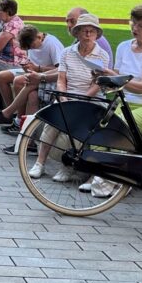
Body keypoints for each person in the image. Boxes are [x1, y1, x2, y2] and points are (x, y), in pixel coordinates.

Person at [90, 3, 142, 198]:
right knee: (98, 129)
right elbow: (116, 80)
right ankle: (100, 177)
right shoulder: (124, 46)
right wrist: (103, 78)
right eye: (133, 23)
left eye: (141, 25)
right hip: (126, 103)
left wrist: (117, 78)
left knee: (120, 129)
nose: (134, 28)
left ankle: (115, 182)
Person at [24, 14, 111, 168]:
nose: (88, 34)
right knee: (52, 122)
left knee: (78, 128)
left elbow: (97, 83)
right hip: (67, 95)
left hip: (90, 99)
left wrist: (81, 99)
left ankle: (69, 168)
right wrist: (63, 97)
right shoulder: (67, 52)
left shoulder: (102, 55)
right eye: (84, 31)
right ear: (77, 33)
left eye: (92, 31)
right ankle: (40, 162)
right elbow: (61, 79)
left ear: (97, 34)